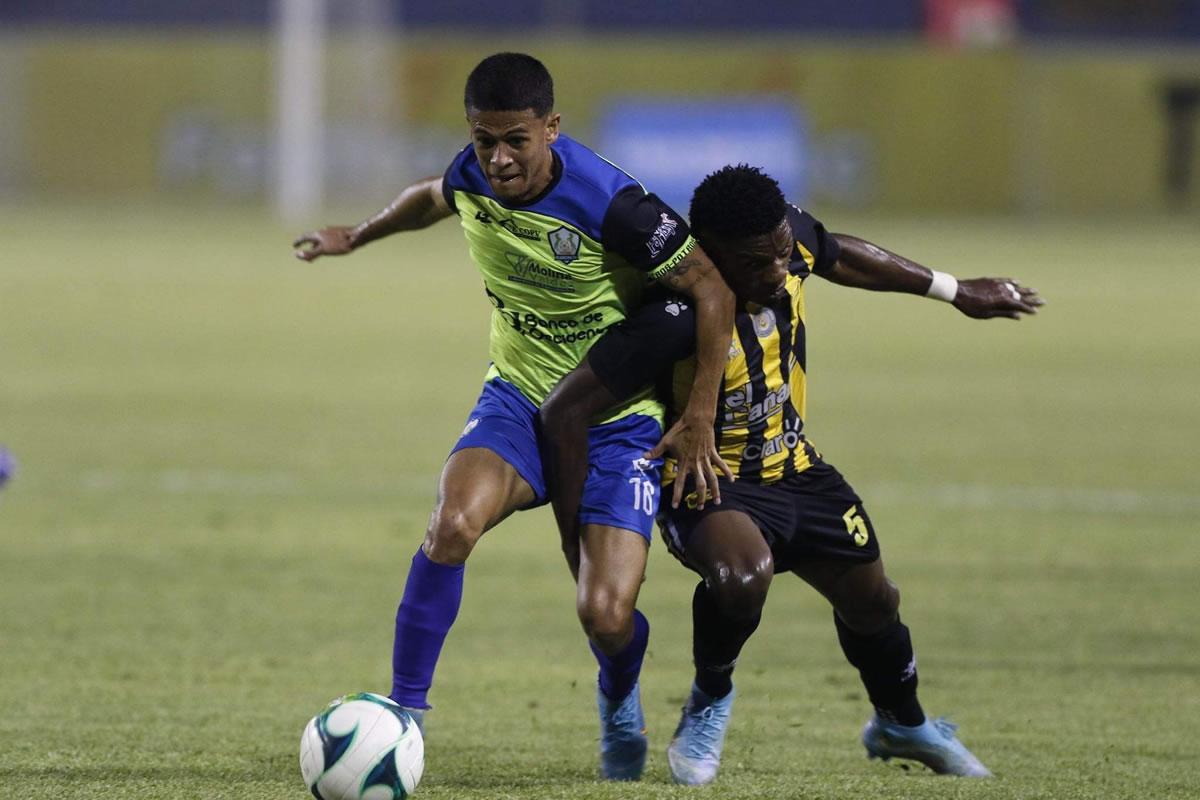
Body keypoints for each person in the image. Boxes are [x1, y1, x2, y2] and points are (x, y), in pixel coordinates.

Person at [291, 53, 734, 781]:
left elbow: (710, 288)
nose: (497, 159)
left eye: (515, 141)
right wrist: (358, 234)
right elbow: (429, 198)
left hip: (618, 419)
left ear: (551, 128)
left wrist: (699, 414)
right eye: (483, 139)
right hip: (518, 400)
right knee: (451, 525)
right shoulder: (471, 173)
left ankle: (618, 695)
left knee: (605, 614)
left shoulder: (614, 204)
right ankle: (404, 715)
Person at [540, 164, 1044, 784]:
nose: (780, 271)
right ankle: (709, 699)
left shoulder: (785, 244)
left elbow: (840, 255)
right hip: (711, 482)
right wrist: (576, 537)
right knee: (743, 576)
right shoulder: (672, 315)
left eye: (782, 253)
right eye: (758, 263)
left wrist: (953, 289)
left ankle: (902, 724)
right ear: (712, 256)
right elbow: (566, 408)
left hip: (798, 467)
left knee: (875, 602)